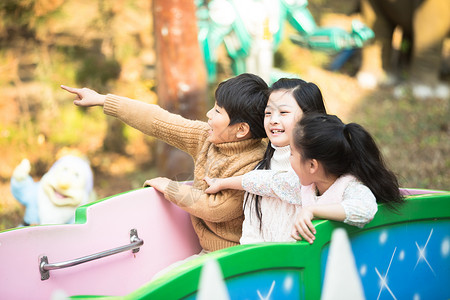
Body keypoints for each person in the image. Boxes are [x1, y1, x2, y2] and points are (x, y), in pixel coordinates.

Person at [61, 73, 269, 253]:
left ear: (241, 130)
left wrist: (168, 187)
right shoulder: (206, 137)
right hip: (204, 247)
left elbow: (214, 208)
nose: (208, 114)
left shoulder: (254, 164)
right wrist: (103, 100)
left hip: (234, 255)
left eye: (217, 111)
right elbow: (158, 121)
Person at [205, 113, 405, 244]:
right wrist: (221, 183)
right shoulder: (306, 186)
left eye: (292, 153)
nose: (288, 158)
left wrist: (312, 210)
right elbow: (265, 182)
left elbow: (365, 210)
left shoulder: (350, 187)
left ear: (312, 165)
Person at [205, 78, 327, 243]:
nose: (273, 120)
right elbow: (250, 235)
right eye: (268, 113)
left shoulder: (320, 168)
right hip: (267, 264)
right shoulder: (260, 169)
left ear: (310, 117)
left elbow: (288, 184)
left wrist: (229, 182)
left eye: (283, 113)